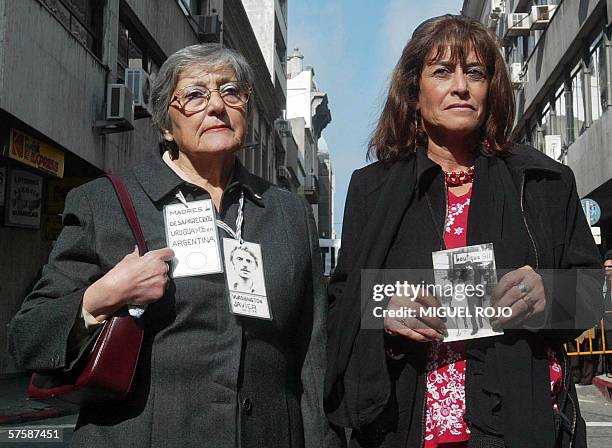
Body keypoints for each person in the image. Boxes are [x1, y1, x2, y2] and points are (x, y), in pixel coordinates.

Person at [9, 43, 340, 448]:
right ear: (167, 125)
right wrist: (105, 294)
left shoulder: (288, 214)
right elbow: (28, 337)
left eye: (231, 91)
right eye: (196, 95)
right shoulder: (105, 203)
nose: (216, 106)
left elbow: (312, 353)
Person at [325, 15, 602, 448]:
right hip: (407, 421)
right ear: (413, 92)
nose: (460, 86)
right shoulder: (372, 188)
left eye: (474, 73)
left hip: (517, 421)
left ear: (490, 90)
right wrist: (385, 309)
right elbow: (342, 300)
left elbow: (590, 293)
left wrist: (549, 293)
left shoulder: (544, 181)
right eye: (442, 72)